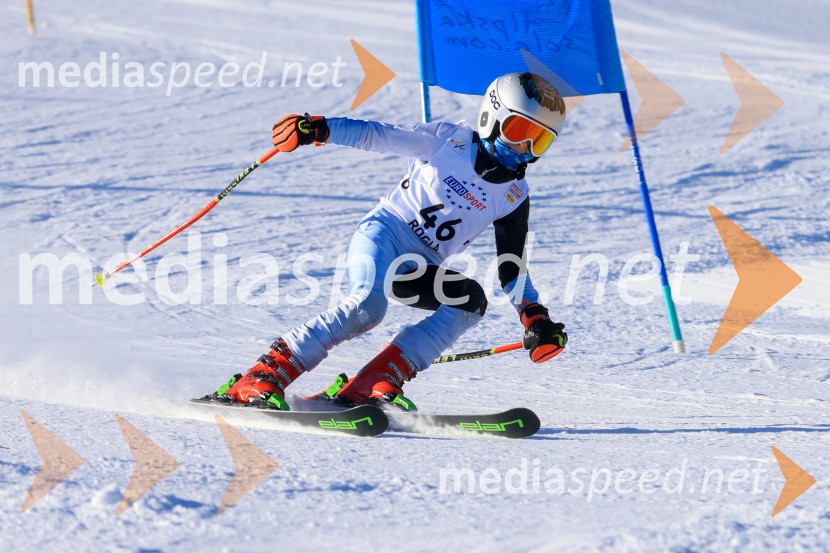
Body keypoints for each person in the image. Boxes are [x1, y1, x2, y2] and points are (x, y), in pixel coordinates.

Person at [206, 72, 568, 411]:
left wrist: (535, 317)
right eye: (519, 129)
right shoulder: (448, 141)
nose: (524, 147)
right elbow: (376, 134)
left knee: (469, 301)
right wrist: (318, 129)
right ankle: (261, 377)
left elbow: (511, 266)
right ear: (491, 117)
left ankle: (375, 380)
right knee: (366, 309)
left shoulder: (513, 194)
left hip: (418, 267)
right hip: (384, 235)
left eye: (540, 140)